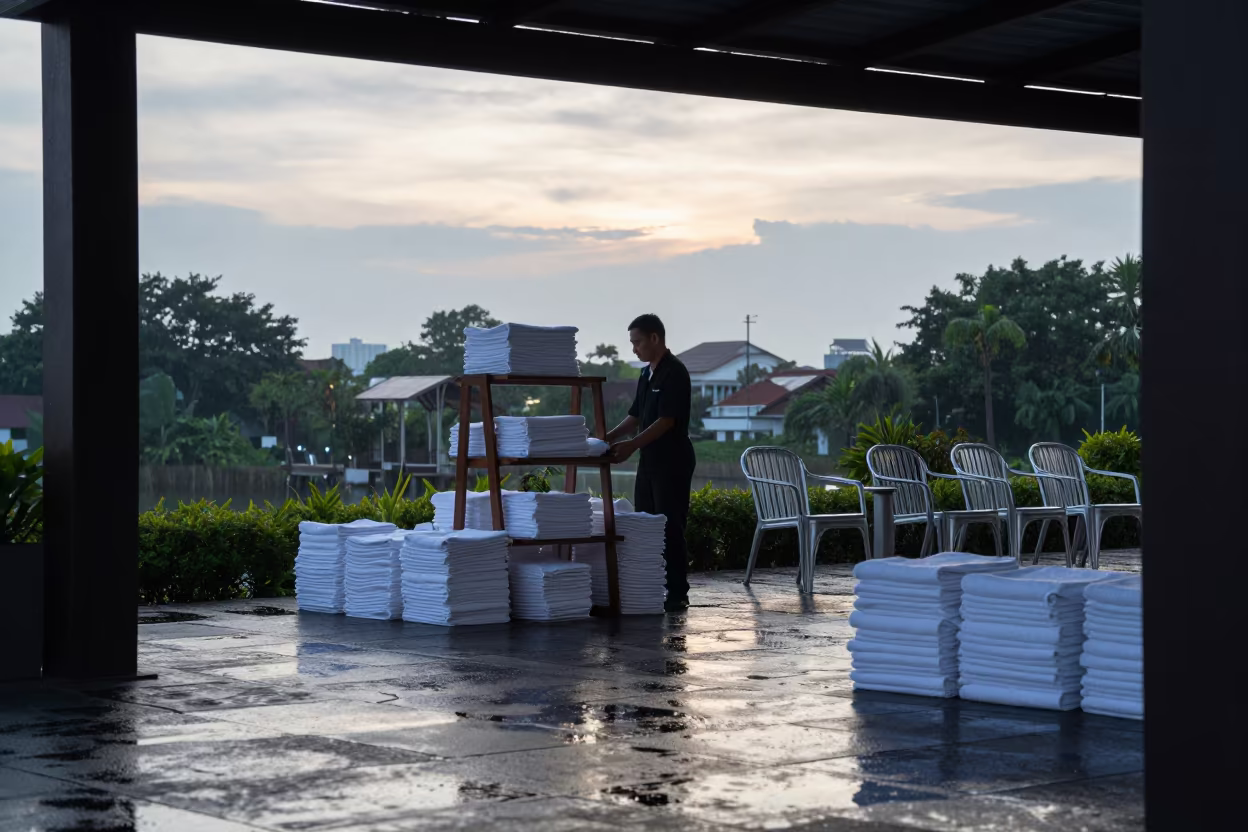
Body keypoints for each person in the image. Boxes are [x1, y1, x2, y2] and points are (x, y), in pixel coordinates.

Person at [606, 314, 695, 612]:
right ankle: (651, 587)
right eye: (632, 343)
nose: (634, 349)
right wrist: (608, 437)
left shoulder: (675, 373)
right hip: (649, 461)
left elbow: (666, 421)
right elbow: (635, 416)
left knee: (669, 526)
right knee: (645, 524)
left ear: (655, 338)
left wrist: (631, 445)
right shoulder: (646, 375)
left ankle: (677, 592)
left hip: (672, 461)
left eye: (638, 342)